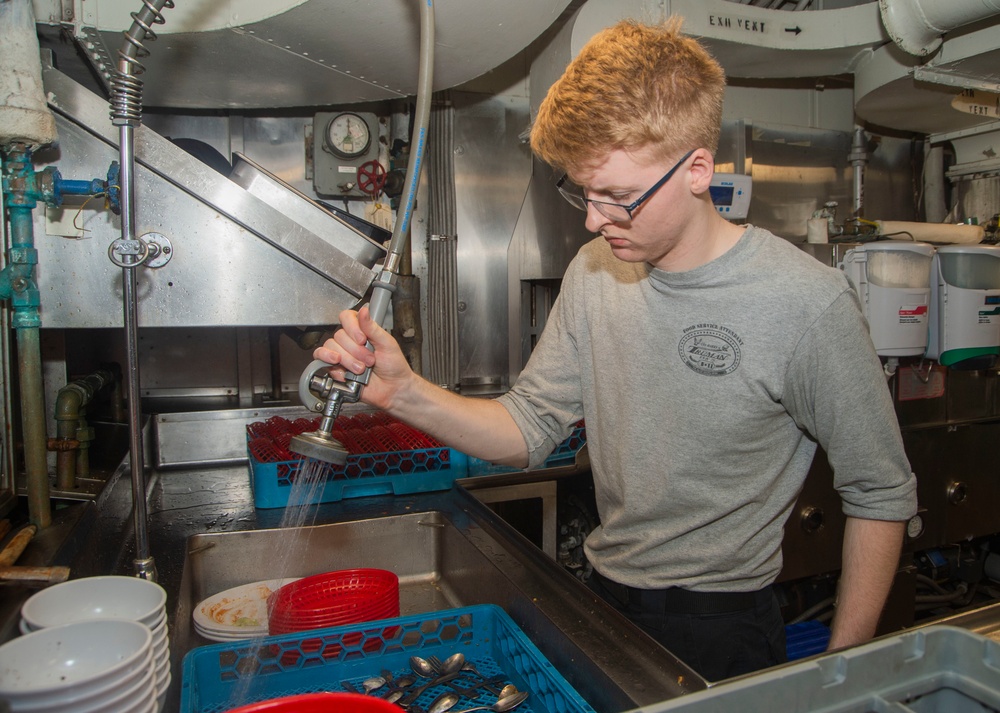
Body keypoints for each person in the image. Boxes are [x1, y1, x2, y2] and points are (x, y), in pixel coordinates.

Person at [315, 17, 918, 682]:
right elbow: (526, 428)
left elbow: (880, 493)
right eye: (581, 190)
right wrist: (404, 391)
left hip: (723, 628)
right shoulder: (595, 271)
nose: (592, 219)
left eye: (617, 198)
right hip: (601, 598)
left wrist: (839, 673)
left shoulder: (808, 303)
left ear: (696, 170)